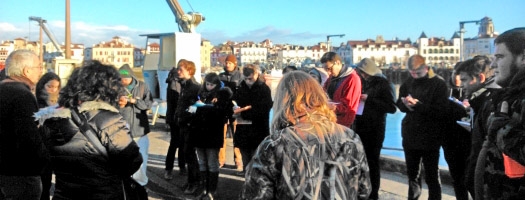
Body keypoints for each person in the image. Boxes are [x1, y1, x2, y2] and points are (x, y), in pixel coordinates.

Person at [240, 71, 371, 199]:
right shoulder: (351, 138)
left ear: (283, 101)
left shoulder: (275, 144)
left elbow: (255, 194)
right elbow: (364, 190)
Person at [34, 60, 143, 199]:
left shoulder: (51, 119)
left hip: (64, 194)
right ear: (106, 88)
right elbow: (131, 162)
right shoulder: (108, 119)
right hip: (103, 195)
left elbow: (45, 159)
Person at [475, 27, 525, 200]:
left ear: (523, 58)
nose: (493, 65)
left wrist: (504, 131)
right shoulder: (509, 95)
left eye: (500, 57)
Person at [396, 54, 448, 200]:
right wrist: (404, 104)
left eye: (418, 73)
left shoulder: (439, 84)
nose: (415, 76)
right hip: (410, 133)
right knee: (412, 174)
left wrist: (418, 105)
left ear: (426, 68)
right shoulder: (408, 82)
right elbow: (398, 103)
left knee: (431, 174)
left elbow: (441, 111)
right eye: (412, 73)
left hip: (430, 135)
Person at [0, 49, 49, 200]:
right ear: (26, 71)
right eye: (39, 67)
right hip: (20, 176)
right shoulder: (23, 95)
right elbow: (29, 140)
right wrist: (44, 161)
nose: (41, 71)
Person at [454, 55, 501, 198]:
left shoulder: (489, 103)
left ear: (480, 78)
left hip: (488, 180)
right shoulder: (481, 101)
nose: (461, 85)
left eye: (464, 80)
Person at [354, 58, 397, 200]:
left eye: (365, 73)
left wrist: (369, 99)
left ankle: (374, 194)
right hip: (361, 125)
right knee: (361, 161)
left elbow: (391, 108)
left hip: (375, 128)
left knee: (372, 162)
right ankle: (362, 190)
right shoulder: (364, 81)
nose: (363, 75)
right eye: (361, 73)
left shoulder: (385, 83)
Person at [191, 74, 234, 199]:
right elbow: (191, 112)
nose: (209, 87)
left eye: (212, 85)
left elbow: (223, 113)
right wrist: (194, 107)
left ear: (216, 85)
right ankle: (204, 188)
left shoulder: (222, 96)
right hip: (199, 132)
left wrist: (205, 107)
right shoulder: (200, 94)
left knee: (212, 162)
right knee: (202, 162)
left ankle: (212, 190)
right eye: (207, 84)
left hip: (212, 133)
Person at [117, 63, 153, 198]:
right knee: (123, 161)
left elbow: (148, 104)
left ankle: (141, 186)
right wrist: (119, 103)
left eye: (125, 79)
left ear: (131, 76)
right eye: (120, 79)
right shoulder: (116, 88)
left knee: (142, 158)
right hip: (122, 131)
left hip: (140, 129)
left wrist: (134, 101)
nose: (123, 82)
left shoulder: (142, 86)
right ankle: (127, 187)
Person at [232, 63, 273, 175]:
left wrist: (244, 114)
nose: (248, 81)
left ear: (256, 74)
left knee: (256, 156)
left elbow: (264, 109)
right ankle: (246, 172)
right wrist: (235, 111)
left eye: (250, 78)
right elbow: (235, 102)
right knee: (245, 154)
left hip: (257, 128)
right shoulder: (241, 87)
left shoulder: (263, 89)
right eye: (245, 79)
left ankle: (254, 176)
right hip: (243, 128)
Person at [175, 59, 202, 195]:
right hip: (184, 125)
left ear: (189, 71)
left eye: (181, 69)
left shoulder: (195, 87)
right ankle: (192, 180)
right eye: (178, 69)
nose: (178, 71)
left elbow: (197, 108)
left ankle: (194, 182)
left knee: (190, 155)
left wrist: (186, 117)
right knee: (187, 154)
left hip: (191, 126)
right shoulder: (185, 86)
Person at [34, 71, 61, 200]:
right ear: (42, 85)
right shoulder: (35, 101)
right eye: (50, 86)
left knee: (46, 184)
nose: (52, 90)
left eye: (56, 87)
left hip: (52, 150)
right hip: (37, 148)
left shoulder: (59, 104)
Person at [321, 52, 362, 127]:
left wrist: (327, 106)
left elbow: (348, 106)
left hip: (344, 124)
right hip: (331, 121)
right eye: (325, 69)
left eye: (329, 68)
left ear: (338, 63)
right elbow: (322, 93)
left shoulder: (353, 79)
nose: (328, 72)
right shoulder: (332, 77)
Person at [218, 54, 243, 171]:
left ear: (235, 64)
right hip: (223, 109)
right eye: (226, 63)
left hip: (235, 110)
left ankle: (238, 161)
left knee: (237, 136)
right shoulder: (220, 76)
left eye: (230, 63)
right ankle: (220, 160)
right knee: (220, 136)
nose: (227, 65)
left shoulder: (240, 76)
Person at [164, 65, 185, 179]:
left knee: (180, 143)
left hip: (176, 117)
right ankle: (170, 169)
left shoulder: (179, 81)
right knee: (175, 143)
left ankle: (180, 167)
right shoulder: (175, 83)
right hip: (175, 118)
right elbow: (173, 103)